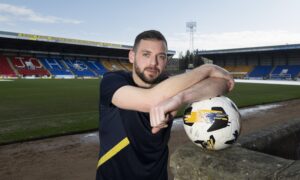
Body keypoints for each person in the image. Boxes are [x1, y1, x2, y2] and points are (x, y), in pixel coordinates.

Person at [96, 30, 234, 180]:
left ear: (165, 61)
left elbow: (223, 84)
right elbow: (151, 100)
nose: (153, 63)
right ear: (132, 56)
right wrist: (208, 69)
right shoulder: (112, 81)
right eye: (146, 54)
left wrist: (180, 98)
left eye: (160, 57)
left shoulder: (170, 85)